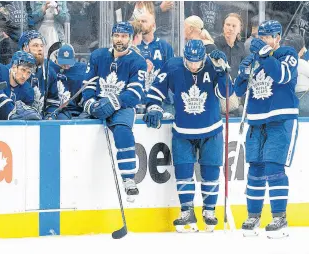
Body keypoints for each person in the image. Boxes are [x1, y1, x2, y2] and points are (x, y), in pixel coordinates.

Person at [144, 40, 233, 233]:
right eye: (190, 61)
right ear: (184, 56)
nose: (193, 66)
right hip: (183, 131)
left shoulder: (213, 64)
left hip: (212, 130)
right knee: (183, 171)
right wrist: (154, 106)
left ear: (204, 57)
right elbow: (156, 90)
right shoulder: (173, 65)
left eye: (197, 61)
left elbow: (227, 93)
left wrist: (223, 71)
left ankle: (209, 211)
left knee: (211, 173)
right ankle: (186, 210)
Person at [234, 20, 299, 239]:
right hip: (256, 121)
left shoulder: (287, 54)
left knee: (274, 167)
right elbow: (239, 89)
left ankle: (279, 217)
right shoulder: (253, 59)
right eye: (259, 37)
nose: (262, 41)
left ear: (277, 37)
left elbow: (282, 76)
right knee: (255, 170)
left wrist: (263, 54)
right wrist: (243, 73)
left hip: (280, 119)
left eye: (267, 37)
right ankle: (253, 215)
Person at [82, 21, 147, 202]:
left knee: (123, 131)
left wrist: (112, 103)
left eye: (124, 36)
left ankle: (128, 178)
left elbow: (135, 94)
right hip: (98, 104)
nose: (120, 39)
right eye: (117, 35)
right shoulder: (98, 56)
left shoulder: (137, 62)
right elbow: (88, 85)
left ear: (131, 39)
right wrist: (90, 104)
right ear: (112, 37)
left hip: (122, 107)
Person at [137, 12, 174, 114]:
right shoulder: (133, 47)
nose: (140, 23)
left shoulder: (165, 46)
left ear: (153, 25)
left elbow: (171, 74)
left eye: (143, 21)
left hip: (161, 99)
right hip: (139, 99)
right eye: (138, 21)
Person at [0, 51, 41, 120]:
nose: (24, 76)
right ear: (14, 66)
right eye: (23, 70)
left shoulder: (28, 92)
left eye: (28, 72)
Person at [18, 30, 60, 118]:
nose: (40, 49)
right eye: (35, 46)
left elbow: (53, 102)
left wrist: (50, 115)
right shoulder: (13, 71)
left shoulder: (49, 71)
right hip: (19, 123)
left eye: (41, 46)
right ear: (24, 48)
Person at [49, 44, 86, 119]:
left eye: (69, 63)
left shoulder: (80, 69)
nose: (66, 66)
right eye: (63, 63)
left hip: (74, 110)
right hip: (53, 108)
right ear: (55, 58)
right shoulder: (48, 69)